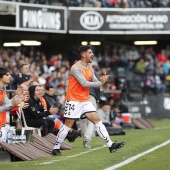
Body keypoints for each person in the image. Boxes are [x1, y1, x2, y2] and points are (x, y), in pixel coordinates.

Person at [52, 45, 125, 156]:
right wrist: (100, 83)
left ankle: (110, 145)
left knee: (97, 121)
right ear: (83, 55)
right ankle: (56, 148)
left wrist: (102, 80)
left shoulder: (90, 68)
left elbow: (96, 84)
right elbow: (84, 83)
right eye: (90, 52)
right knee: (68, 125)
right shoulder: (75, 68)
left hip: (85, 100)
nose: (92, 54)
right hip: (73, 100)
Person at [0, 67, 25, 142]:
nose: (10, 76)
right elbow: (7, 106)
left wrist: (17, 96)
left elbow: (6, 103)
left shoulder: (3, 89)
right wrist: (13, 104)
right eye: (7, 75)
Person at [80, 71, 100, 148]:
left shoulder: (78, 70)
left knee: (82, 119)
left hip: (80, 97)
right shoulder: (92, 71)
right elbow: (98, 86)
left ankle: (84, 139)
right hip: (91, 96)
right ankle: (87, 138)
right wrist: (98, 99)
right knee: (92, 119)